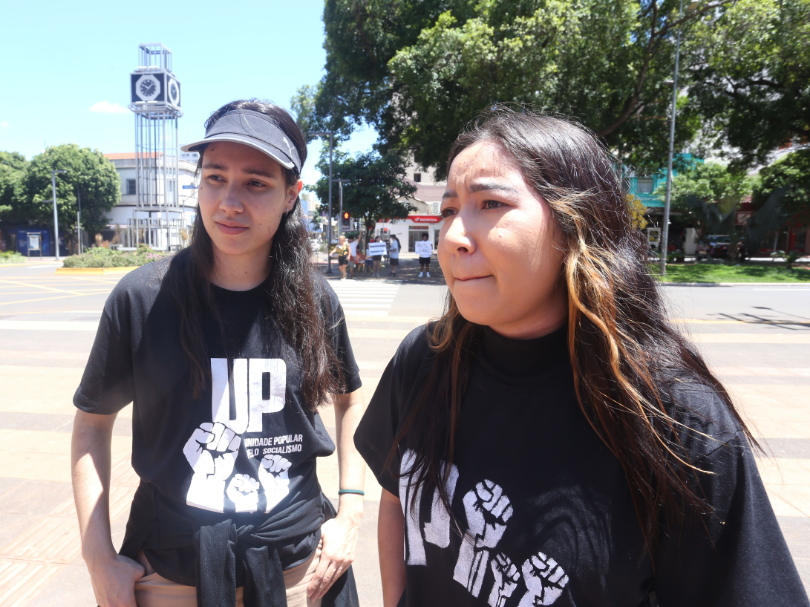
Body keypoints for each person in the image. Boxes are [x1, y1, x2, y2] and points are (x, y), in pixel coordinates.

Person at [354, 108, 809, 607]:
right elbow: (395, 497)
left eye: (489, 203)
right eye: (448, 210)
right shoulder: (424, 359)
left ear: (575, 226)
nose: (454, 237)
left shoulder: (676, 420)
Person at [72, 100, 365, 607]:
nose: (230, 201)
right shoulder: (141, 297)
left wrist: (350, 513)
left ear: (292, 195)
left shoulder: (315, 300)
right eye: (214, 177)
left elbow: (350, 400)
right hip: (169, 571)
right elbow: (91, 425)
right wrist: (97, 555)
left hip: (299, 570)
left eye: (256, 183)